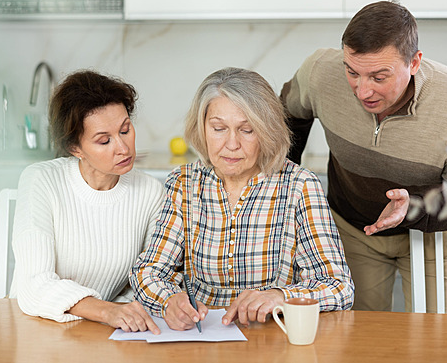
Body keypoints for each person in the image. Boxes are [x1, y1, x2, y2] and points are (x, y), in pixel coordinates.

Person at [280, 0, 447, 313]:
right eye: (352, 72)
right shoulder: (320, 72)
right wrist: (282, 181)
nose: (363, 91)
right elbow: (285, 119)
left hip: (431, 240)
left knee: (438, 342)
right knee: (357, 339)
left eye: (379, 77)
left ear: (414, 62)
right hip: (351, 231)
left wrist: (415, 207)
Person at [130, 67, 354, 331]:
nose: (232, 144)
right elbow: (149, 272)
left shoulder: (299, 185)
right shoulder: (184, 182)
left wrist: (280, 297)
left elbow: (339, 287)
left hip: (274, 337)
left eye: (247, 130)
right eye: (218, 128)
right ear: (202, 128)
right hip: (201, 338)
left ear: (266, 131)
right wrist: (169, 300)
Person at [10, 69, 164, 333]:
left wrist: (121, 311)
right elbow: (34, 284)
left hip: (102, 332)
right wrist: (107, 310)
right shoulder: (41, 181)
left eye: (125, 130)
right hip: (35, 327)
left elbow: (147, 278)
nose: (123, 148)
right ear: (75, 148)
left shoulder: (150, 192)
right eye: (104, 141)